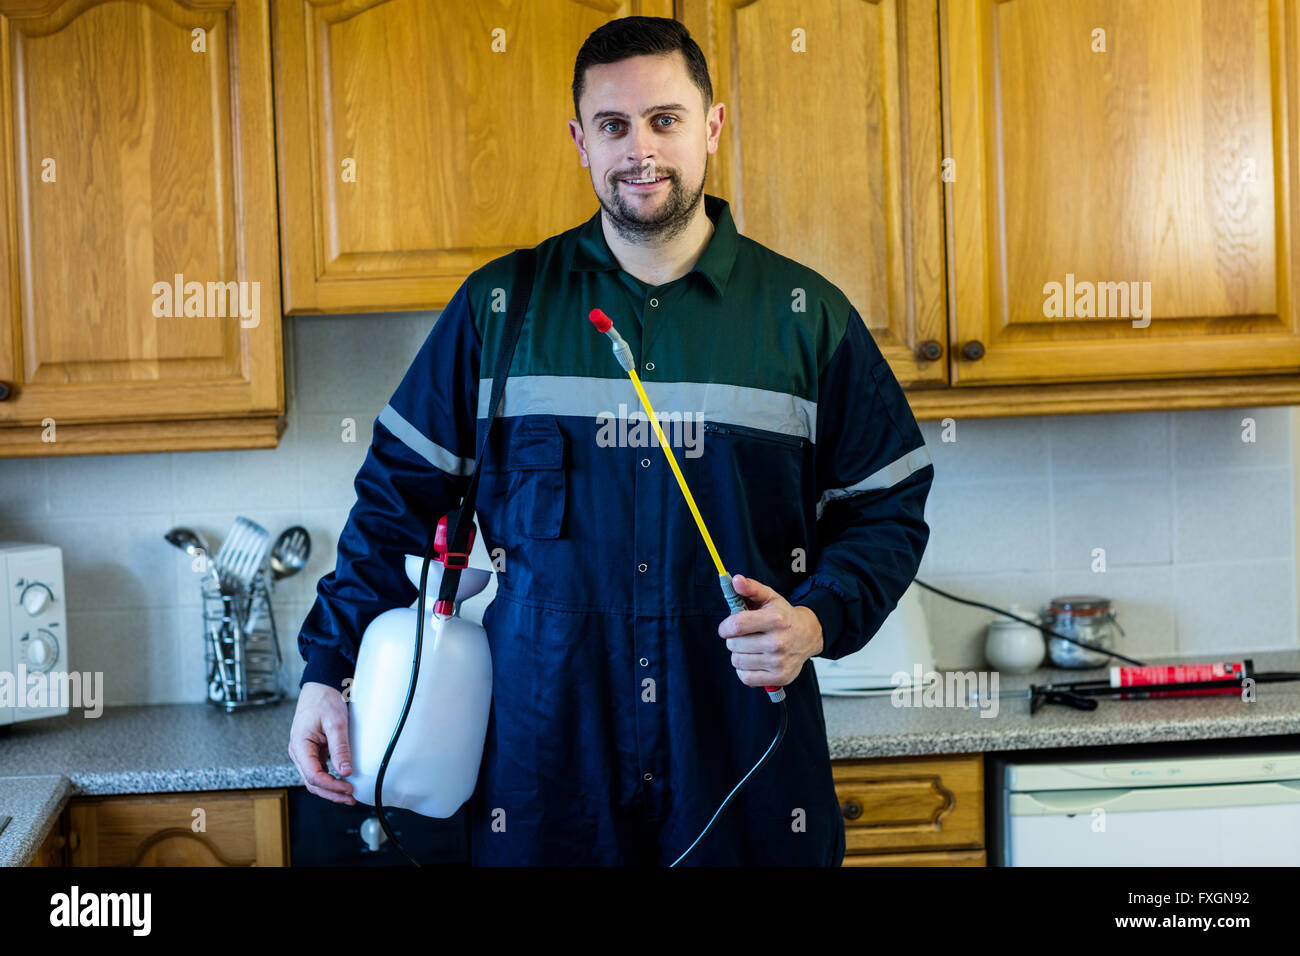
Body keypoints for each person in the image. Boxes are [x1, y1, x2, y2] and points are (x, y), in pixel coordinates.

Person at [288, 15, 933, 866]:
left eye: (666, 119)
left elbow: (889, 505)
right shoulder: (499, 311)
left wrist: (817, 618)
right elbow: (396, 502)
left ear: (711, 126)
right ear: (580, 141)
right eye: (614, 125)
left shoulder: (803, 320)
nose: (642, 150)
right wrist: (326, 670)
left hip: (741, 751)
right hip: (544, 759)